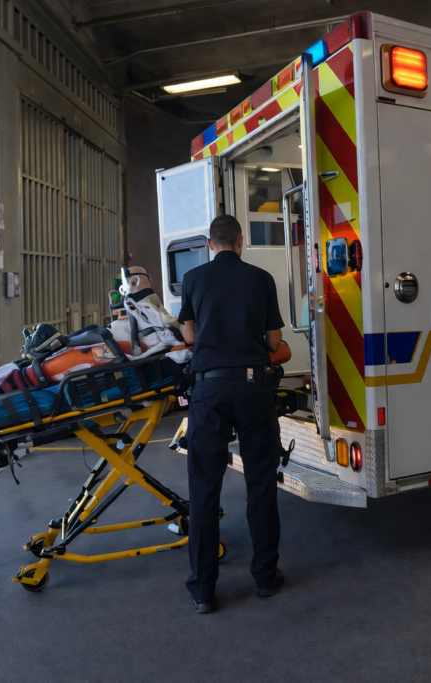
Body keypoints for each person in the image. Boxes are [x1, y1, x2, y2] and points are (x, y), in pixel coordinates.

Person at [178, 214, 285, 614]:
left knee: (204, 488)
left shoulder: (193, 279)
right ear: (240, 242)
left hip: (208, 389)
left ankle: (203, 590)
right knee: (260, 482)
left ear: (210, 243)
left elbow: (190, 336)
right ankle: (265, 577)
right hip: (254, 387)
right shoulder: (261, 278)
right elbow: (274, 341)